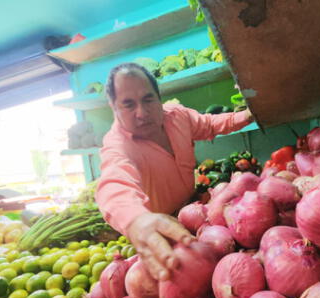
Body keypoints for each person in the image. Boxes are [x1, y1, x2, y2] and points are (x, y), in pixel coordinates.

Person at [95, 62, 252, 281]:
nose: (142, 113)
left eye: (148, 99)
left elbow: (208, 124)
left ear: (158, 97)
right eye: (128, 105)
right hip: (161, 235)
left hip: (195, 213)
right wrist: (136, 221)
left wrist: (245, 116)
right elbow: (114, 185)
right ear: (114, 107)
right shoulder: (117, 145)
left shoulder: (177, 117)